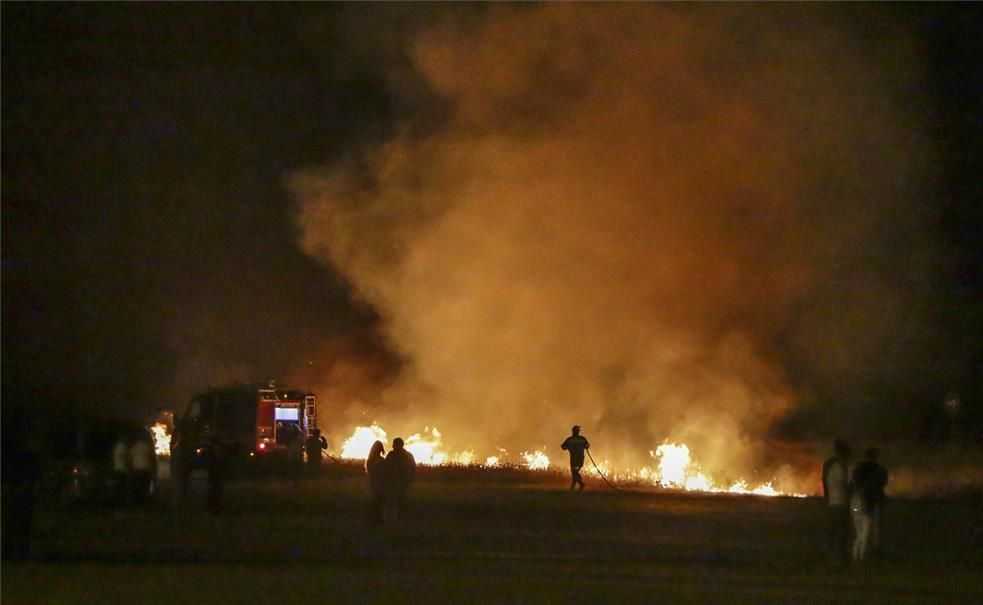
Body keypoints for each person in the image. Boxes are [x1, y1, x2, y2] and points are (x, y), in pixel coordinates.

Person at [851, 448, 888, 559]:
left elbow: (854, 482)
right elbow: (883, 483)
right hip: (875, 501)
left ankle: (858, 554)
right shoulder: (880, 470)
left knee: (860, 531)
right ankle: (872, 551)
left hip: (861, 502)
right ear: (875, 457)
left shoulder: (858, 469)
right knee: (875, 528)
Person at [822, 439, 852, 565]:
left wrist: (827, 496)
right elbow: (844, 485)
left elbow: (824, 481)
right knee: (841, 532)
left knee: (833, 532)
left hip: (832, 503)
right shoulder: (840, 467)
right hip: (840, 503)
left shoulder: (829, 465)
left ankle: (832, 557)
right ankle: (839, 558)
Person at [382, 437, 416, 523]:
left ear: (399, 445)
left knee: (399, 500)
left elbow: (412, 469)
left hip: (400, 482)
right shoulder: (406, 455)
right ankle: (398, 518)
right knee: (397, 500)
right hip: (397, 482)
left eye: (394, 444)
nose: (393, 446)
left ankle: (399, 518)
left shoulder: (393, 455)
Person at [128, 432, 156, 506]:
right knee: (145, 486)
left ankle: (137, 502)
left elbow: (130, 458)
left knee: (137, 486)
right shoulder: (147, 446)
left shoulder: (134, 447)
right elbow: (152, 457)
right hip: (146, 469)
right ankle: (145, 502)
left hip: (137, 469)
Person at [561, 425, 590, 490]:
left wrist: (568, 447)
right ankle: (573, 486)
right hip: (580, 459)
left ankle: (581, 483)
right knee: (575, 471)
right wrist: (585, 446)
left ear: (573, 431)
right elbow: (587, 445)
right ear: (578, 432)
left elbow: (563, 447)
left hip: (574, 459)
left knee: (574, 471)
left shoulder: (570, 440)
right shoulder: (582, 439)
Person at [364, 440, 386, 525]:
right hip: (376, 483)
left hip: (376, 483)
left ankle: (375, 521)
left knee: (376, 502)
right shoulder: (377, 460)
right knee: (376, 502)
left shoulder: (371, 460)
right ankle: (375, 521)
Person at [112, 434, 130, 508]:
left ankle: (118, 502)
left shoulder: (116, 448)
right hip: (122, 469)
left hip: (117, 468)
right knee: (122, 487)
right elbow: (126, 458)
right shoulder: (123, 447)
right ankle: (122, 503)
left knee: (118, 487)